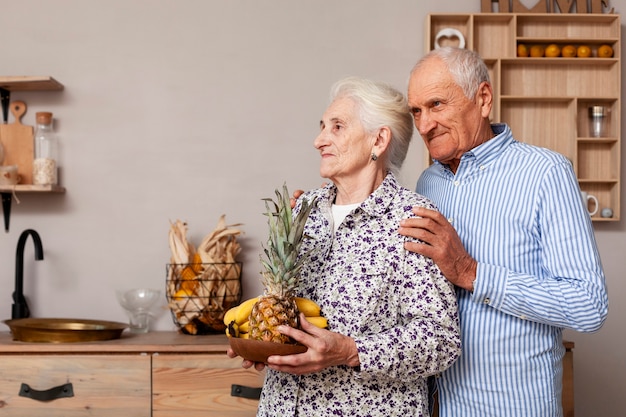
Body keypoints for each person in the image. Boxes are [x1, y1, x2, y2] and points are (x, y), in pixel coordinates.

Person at [229, 76, 461, 416]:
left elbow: (441, 340)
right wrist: (264, 343)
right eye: (322, 126)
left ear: (379, 140)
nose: (318, 140)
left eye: (337, 127)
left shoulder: (412, 219)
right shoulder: (302, 212)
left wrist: (350, 350)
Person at [398, 47, 609, 417]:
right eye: (417, 111)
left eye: (436, 105)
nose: (424, 125)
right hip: (438, 406)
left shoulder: (546, 173)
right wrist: (324, 210)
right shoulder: (427, 182)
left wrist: (471, 273)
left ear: (482, 99)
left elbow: (589, 305)